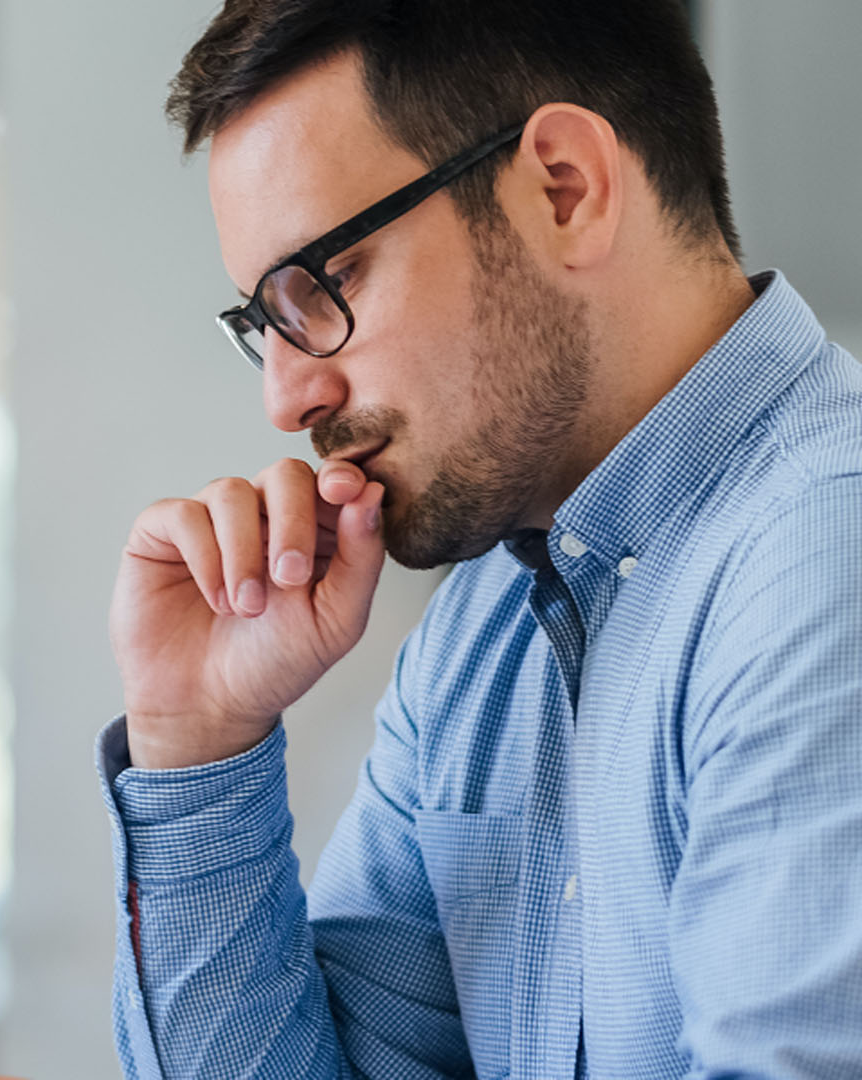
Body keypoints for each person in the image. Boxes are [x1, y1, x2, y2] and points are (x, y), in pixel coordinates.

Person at [99, 2, 862, 1079]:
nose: (289, 396)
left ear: (566, 189)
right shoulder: (486, 626)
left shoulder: (829, 565)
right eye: (263, 323)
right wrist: (198, 740)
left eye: (328, 282)